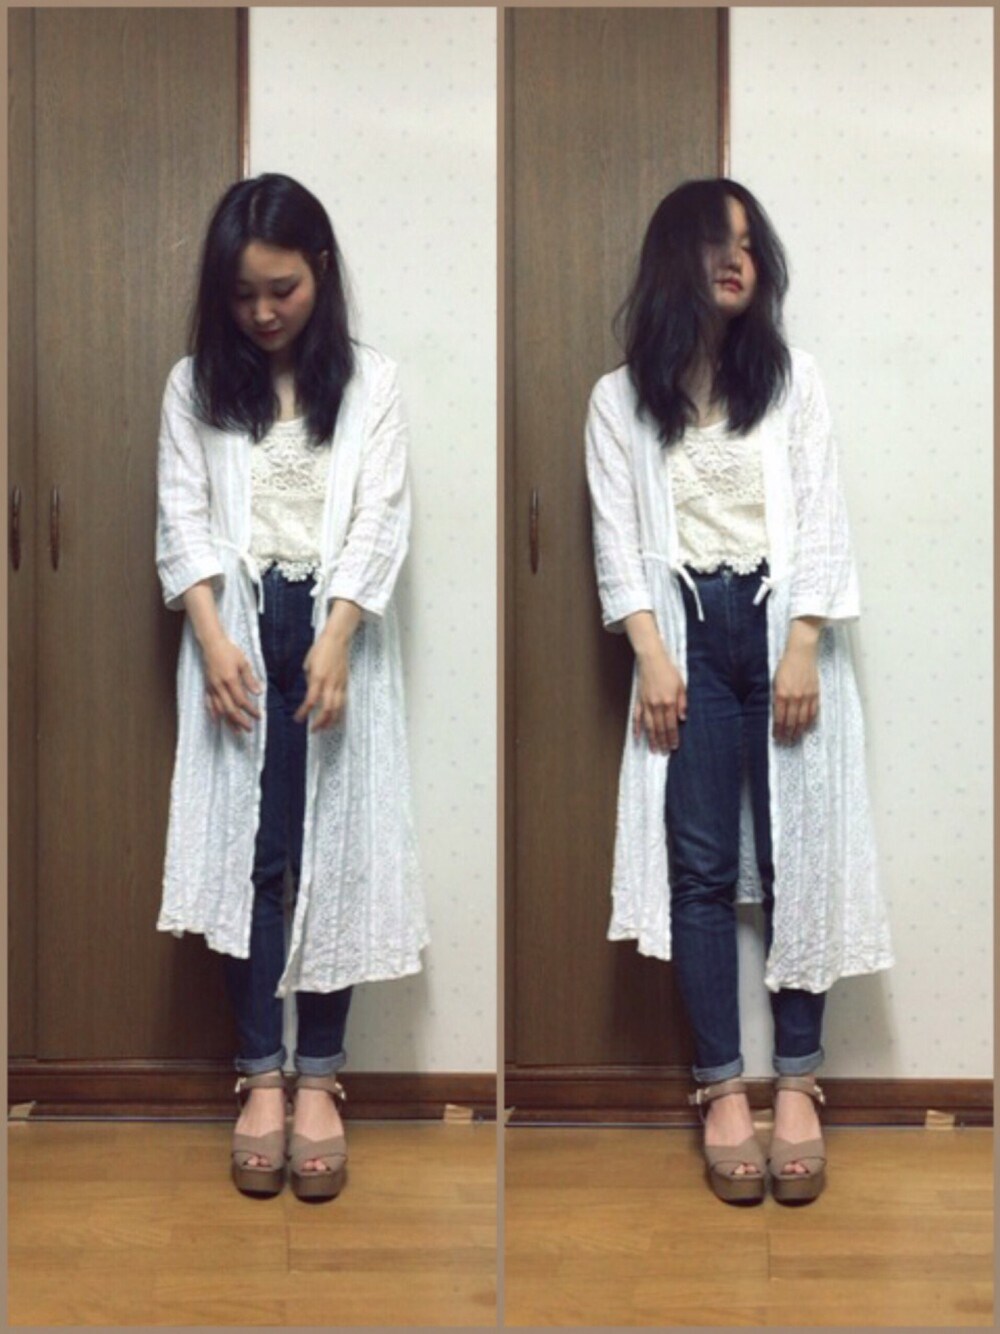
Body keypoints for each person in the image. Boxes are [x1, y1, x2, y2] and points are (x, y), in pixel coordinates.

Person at [584, 178, 893, 1205]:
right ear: (674, 257)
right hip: (685, 641)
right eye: (717, 241)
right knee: (702, 867)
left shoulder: (794, 381)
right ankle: (721, 1091)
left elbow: (824, 512)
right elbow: (617, 538)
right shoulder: (619, 399)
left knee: (802, 854)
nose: (735, 259)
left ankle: (796, 1085)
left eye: (750, 245)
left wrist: (803, 642)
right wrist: (649, 653)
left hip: (781, 633)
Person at [155, 173, 428, 1201]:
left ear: (320, 270)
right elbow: (181, 515)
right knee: (251, 860)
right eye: (242, 295)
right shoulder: (192, 386)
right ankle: (259, 1078)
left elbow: (382, 514)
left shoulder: (371, 382)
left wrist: (339, 632)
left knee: (329, 857)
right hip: (234, 634)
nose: (263, 313)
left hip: (332, 631)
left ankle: (321, 1078)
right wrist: (212, 637)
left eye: (282, 289)